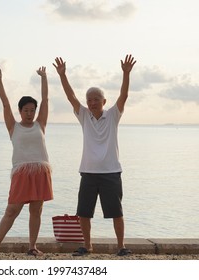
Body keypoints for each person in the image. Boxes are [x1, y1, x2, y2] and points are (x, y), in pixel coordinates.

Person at [53, 55, 136, 257]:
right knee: (84, 213)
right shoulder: (84, 116)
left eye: (96, 99)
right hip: (88, 172)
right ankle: (87, 245)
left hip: (111, 172)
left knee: (116, 212)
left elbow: (123, 96)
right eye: (89, 100)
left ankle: (121, 246)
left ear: (103, 101)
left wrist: (126, 74)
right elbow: (70, 96)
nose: (92, 103)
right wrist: (63, 76)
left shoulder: (113, 115)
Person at [0, 66, 53, 256]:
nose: (29, 113)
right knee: (12, 210)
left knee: (36, 211)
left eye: (32, 110)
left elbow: (46, 99)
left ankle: (32, 247)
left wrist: (44, 78)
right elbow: (5, 104)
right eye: (26, 110)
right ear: (20, 111)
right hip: (21, 172)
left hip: (40, 170)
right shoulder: (13, 127)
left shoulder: (41, 124)